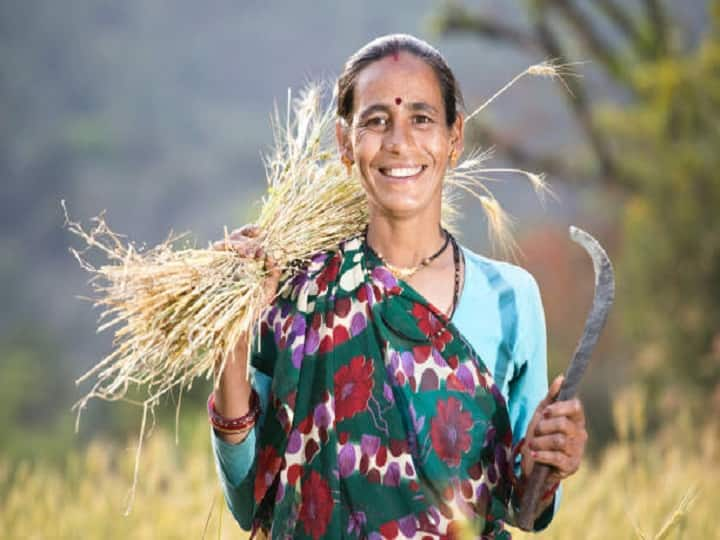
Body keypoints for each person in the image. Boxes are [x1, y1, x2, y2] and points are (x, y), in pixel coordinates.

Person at [208, 34, 587, 539]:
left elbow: (527, 511)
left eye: (422, 119)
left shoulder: (509, 299)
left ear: (454, 138)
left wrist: (551, 463)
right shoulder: (293, 292)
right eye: (376, 120)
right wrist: (231, 328)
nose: (399, 142)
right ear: (346, 142)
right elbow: (246, 495)